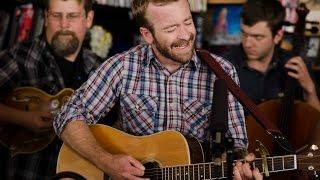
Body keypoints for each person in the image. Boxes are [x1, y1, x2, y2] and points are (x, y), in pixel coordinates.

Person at [54, 0, 262, 179]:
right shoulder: (123, 67)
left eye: (187, 22)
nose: (185, 35)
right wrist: (106, 161)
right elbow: (67, 115)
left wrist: (241, 169)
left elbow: (237, 148)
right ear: (147, 35)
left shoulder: (222, 72)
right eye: (171, 29)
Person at [0, 0, 101, 179]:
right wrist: (24, 119)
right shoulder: (21, 57)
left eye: (72, 16)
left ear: (88, 19)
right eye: (56, 15)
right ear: (46, 17)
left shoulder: (100, 70)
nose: (63, 24)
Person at [223, 0, 320, 111]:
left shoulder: (296, 66)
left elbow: (316, 125)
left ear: (278, 36)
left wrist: (310, 91)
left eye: (257, 37)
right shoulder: (223, 66)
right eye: (244, 33)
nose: (247, 44)